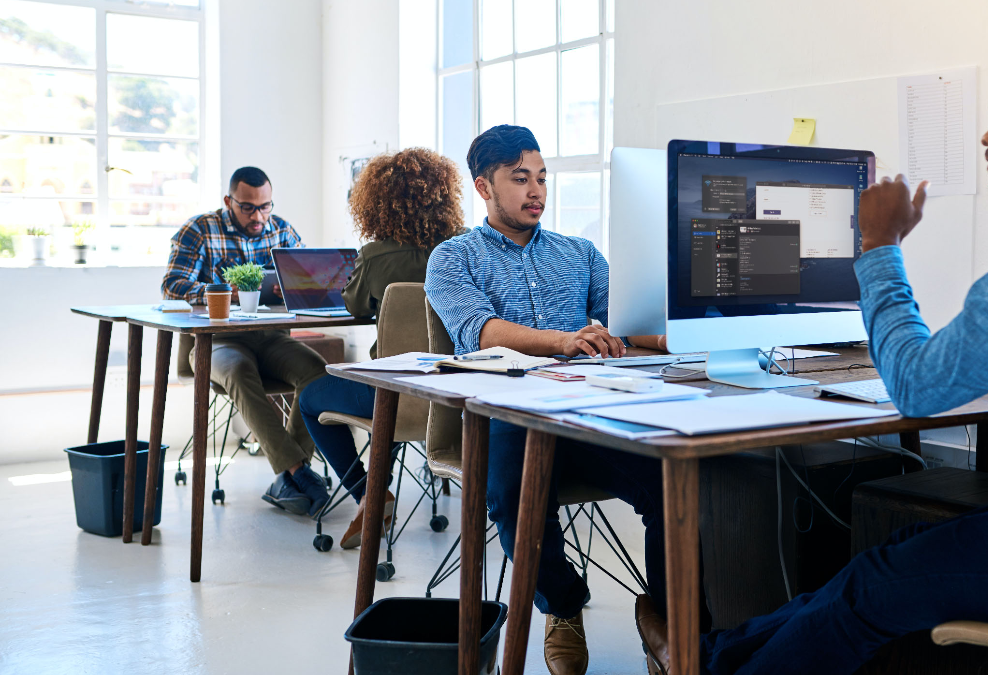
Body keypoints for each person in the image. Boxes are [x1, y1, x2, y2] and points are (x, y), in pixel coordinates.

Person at [631, 19, 988, 675]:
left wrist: (878, 245)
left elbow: (919, 387)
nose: (987, 135)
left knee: (875, 581)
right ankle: (703, 658)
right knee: (896, 554)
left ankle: (700, 664)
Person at [425, 125, 685, 675]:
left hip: (584, 412)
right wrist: (565, 341)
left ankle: (669, 622)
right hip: (505, 415)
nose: (536, 190)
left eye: (541, 177)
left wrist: (682, 334)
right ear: (484, 187)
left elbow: (628, 323)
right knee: (513, 493)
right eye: (520, 178)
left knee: (670, 483)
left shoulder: (580, 254)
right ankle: (563, 605)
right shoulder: (453, 258)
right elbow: (480, 331)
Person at [297, 148, 467, 549]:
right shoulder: (466, 248)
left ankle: (368, 494)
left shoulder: (375, 256)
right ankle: (375, 495)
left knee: (310, 397)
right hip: (458, 395)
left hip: (395, 396)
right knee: (384, 387)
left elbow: (355, 305)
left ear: (376, 202)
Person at [163, 166, 331, 517]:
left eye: (265, 206)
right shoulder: (199, 230)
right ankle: (298, 472)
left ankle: (288, 478)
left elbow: (306, 283)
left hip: (270, 339)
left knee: (318, 371)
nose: (259, 216)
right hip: (216, 343)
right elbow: (173, 285)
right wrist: (227, 291)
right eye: (248, 208)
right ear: (229, 201)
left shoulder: (282, 230)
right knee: (240, 370)